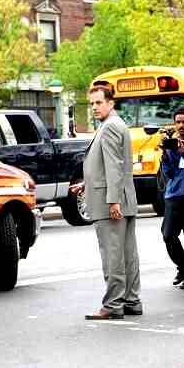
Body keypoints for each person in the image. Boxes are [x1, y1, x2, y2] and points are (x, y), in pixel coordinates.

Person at [73, 86, 141, 320]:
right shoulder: (115, 124)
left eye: (98, 103)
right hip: (121, 197)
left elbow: (113, 166)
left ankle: (113, 305)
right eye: (91, 103)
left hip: (110, 201)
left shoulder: (110, 126)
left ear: (111, 103)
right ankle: (132, 300)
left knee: (113, 255)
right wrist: (87, 183)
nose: (94, 107)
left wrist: (112, 201)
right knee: (127, 254)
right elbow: (112, 166)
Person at [161, 108, 184, 289]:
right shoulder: (171, 144)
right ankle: (183, 267)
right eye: (178, 122)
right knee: (168, 235)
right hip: (174, 196)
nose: (181, 125)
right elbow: (169, 173)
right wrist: (166, 156)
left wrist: (183, 151)